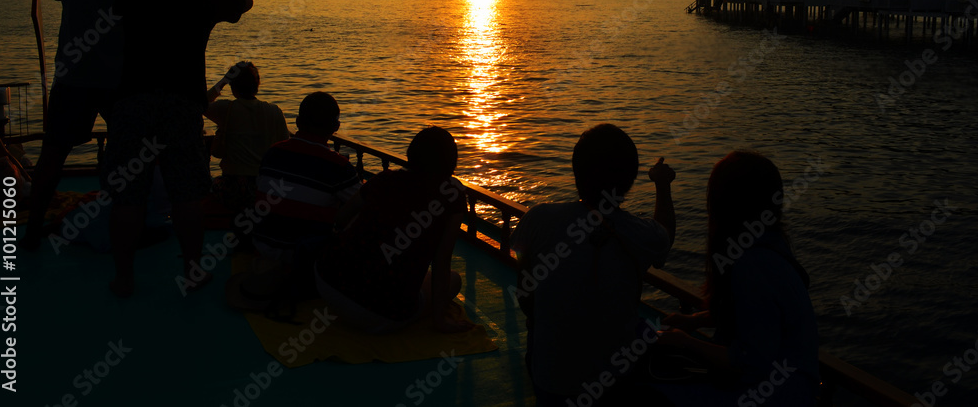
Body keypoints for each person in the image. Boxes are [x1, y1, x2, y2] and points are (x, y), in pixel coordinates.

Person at [103, 0, 253, 297]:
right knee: (186, 193)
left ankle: (123, 277)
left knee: (127, 195)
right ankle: (191, 270)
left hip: (133, 99)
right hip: (183, 104)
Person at [21, 0, 153, 250]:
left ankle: (33, 227)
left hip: (73, 74)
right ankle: (133, 224)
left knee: (53, 153)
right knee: (131, 155)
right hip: (121, 79)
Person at [511, 123, 676, 406]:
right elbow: (664, 237)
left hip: (551, 384)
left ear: (577, 172)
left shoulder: (539, 220)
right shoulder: (640, 234)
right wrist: (662, 184)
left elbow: (526, 296)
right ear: (630, 179)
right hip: (614, 387)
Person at [652, 151, 819, 406]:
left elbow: (749, 362)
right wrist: (694, 320)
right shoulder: (772, 246)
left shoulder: (751, 266)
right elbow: (755, 314)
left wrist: (685, 342)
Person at [314, 126, 472, 334]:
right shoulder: (452, 195)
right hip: (381, 312)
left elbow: (342, 217)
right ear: (450, 163)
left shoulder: (385, 179)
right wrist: (439, 320)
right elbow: (442, 261)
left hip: (327, 281)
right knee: (454, 280)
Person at [250, 91, 360, 265]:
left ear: (298, 122)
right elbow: (363, 204)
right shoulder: (338, 166)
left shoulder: (273, 152)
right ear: (336, 127)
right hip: (301, 255)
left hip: (262, 245)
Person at [205, 61, 288, 213]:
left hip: (232, 189)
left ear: (232, 86)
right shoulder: (274, 112)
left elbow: (201, 104)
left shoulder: (225, 109)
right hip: (264, 189)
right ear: (257, 85)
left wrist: (223, 81)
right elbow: (285, 148)